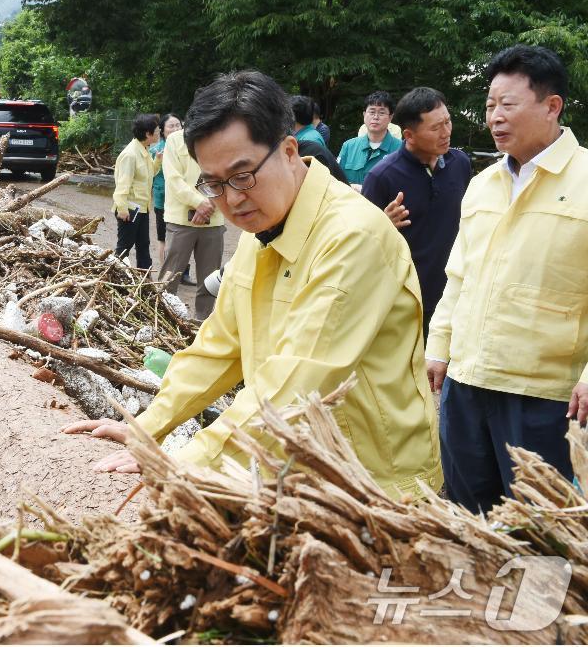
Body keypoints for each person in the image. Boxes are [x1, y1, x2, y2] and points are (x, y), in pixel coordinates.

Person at [66, 70, 442, 500]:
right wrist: (147, 427)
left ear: (288, 150)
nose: (233, 199)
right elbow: (219, 347)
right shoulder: (261, 234)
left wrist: (185, 463)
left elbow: (299, 379)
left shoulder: (353, 236)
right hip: (298, 469)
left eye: (243, 175)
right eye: (215, 183)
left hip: (377, 481)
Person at [427, 45, 588, 513]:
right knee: (468, 514)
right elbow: (459, 274)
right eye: (489, 105)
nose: (494, 117)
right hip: (466, 381)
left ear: (552, 106)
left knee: (540, 525)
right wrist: (439, 345)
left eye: (508, 105)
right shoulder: (482, 185)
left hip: (544, 393)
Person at [362, 87, 471, 336]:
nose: (446, 133)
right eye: (435, 128)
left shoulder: (460, 164)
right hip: (405, 301)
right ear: (409, 135)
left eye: (448, 122)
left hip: (454, 295)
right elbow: (360, 246)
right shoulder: (382, 177)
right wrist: (382, 225)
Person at [157, 124, 226, 319]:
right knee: (170, 276)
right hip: (180, 220)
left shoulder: (220, 137)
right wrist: (198, 202)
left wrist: (208, 205)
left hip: (213, 219)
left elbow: (225, 175)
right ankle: (161, 319)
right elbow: (173, 178)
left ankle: (202, 323)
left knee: (210, 278)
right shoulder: (175, 140)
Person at [112, 114, 161, 270]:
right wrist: (122, 209)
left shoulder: (144, 151)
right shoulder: (130, 154)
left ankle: (144, 280)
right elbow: (122, 185)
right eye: (157, 130)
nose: (159, 132)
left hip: (142, 208)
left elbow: (148, 174)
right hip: (130, 209)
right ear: (148, 133)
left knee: (143, 245)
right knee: (124, 247)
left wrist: (158, 160)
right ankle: (114, 276)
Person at [150, 114, 194, 284]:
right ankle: (167, 273)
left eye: (178, 125)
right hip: (164, 200)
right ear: (162, 130)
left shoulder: (187, 146)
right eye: (171, 126)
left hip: (184, 200)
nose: (176, 129)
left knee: (185, 237)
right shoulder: (157, 150)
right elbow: (151, 175)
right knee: (164, 238)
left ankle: (183, 272)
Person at [338, 91, 403, 188]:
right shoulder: (348, 146)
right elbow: (336, 180)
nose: (376, 117)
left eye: (381, 113)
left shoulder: (401, 149)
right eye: (372, 112)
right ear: (364, 114)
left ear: (390, 117)